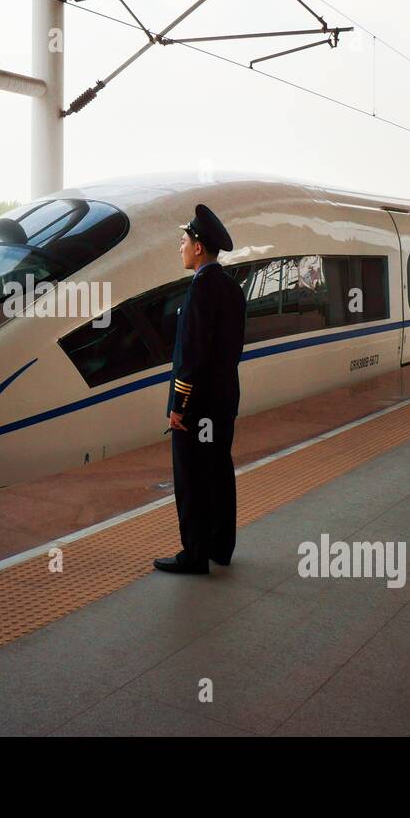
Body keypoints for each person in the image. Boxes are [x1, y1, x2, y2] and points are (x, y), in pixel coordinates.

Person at [154, 204, 246, 575]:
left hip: (197, 410)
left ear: (197, 248)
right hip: (223, 402)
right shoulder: (232, 289)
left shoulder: (198, 293)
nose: (180, 247)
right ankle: (220, 547)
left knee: (191, 478)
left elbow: (189, 358)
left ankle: (194, 554)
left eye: (183, 241)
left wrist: (179, 405)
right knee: (219, 472)